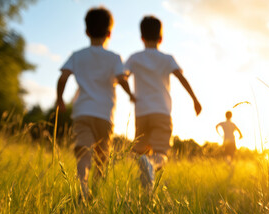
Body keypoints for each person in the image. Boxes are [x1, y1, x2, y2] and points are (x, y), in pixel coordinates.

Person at [56, 7, 135, 200]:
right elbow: (121, 78)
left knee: (83, 150)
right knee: (102, 155)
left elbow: (63, 77)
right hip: (104, 115)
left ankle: (82, 186)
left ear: (86, 32)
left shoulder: (77, 55)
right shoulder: (114, 57)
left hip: (82, 111)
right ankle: (97, 192)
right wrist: (131, 94)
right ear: (109, 33)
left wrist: (59, 98)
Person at [124, 15, 202, 188]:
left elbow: (122, 76)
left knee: (141, 152)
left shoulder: (134, 58)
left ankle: (147, 191)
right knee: (160, 153)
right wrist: (195, 99)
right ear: (161, 38)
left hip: (141, 112)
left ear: (142, 38)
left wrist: (129, 93)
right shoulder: (167, 58)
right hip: (161, 112)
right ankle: (151, 166)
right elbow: (181, 78)